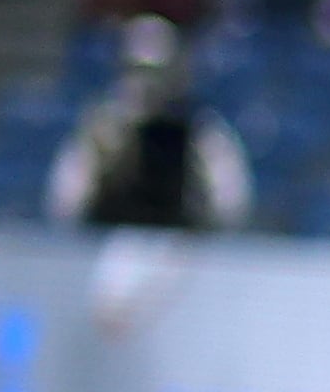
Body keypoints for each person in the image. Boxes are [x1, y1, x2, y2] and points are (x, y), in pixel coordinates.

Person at [44, 16, 249, 232]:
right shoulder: (101, 127)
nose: (146, 83)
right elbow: (67, 201)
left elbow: (229, 203)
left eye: (157, 72)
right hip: (109, 238)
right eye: (136, 70)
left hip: (180, 248)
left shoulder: (201, 129)